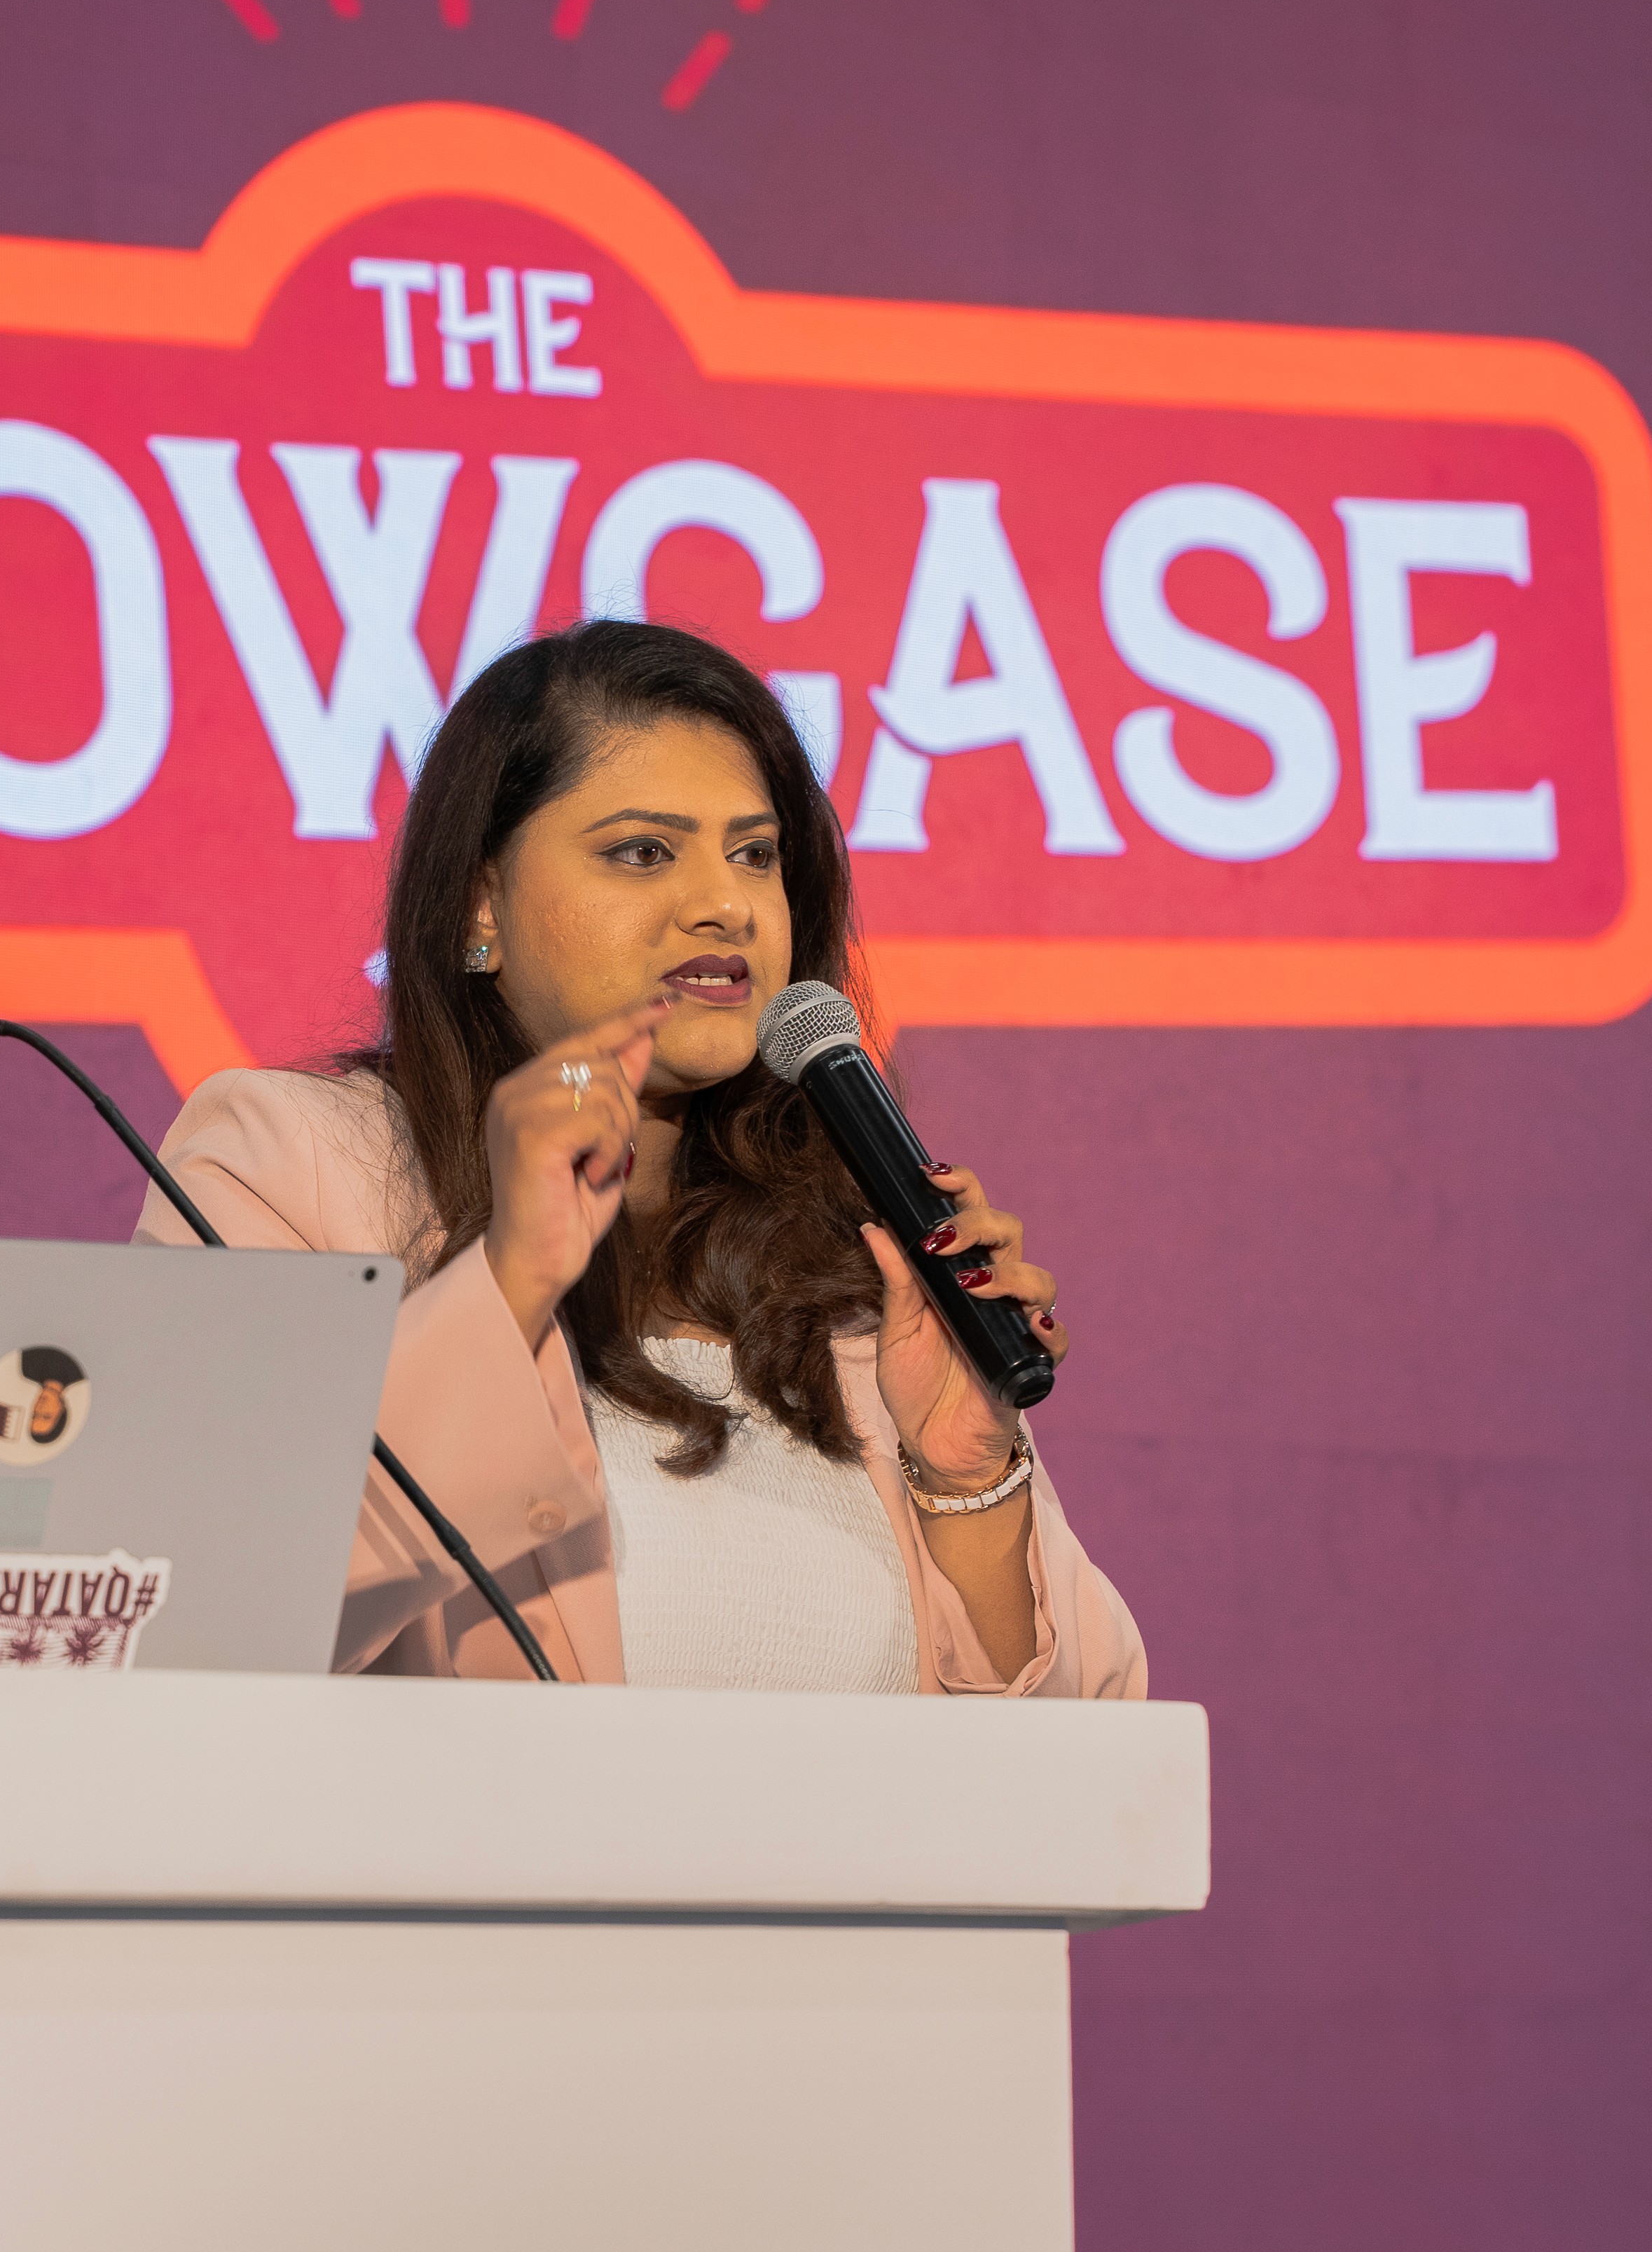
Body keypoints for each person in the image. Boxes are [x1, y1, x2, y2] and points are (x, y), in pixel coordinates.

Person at [137, 619, 1142, 1694]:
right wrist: (508, 1280)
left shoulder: (856, 1249)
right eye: (643, 852)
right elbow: (196, 1609)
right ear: (481, 904)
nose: (725, 903)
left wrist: (965, 1482)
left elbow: (1098, 1768)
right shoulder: (292, 1166)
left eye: (754, 855)